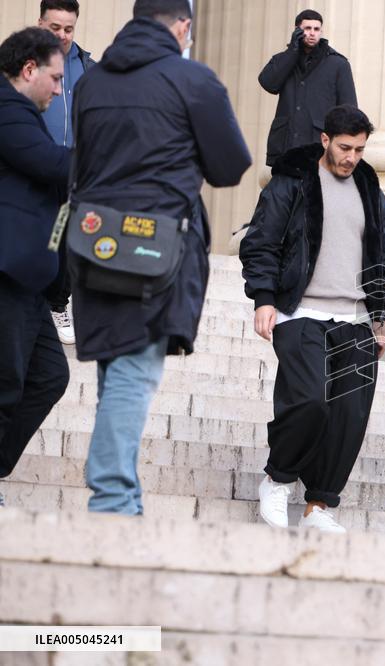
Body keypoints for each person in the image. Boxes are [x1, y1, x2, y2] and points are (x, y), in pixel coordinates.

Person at [71, 0, 251, 515]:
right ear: (183, 25)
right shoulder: (192, 80)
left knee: (115, 362)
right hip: (157, 246)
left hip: (93, 241)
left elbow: (79, 162)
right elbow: (229, 166)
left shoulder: (91, 81)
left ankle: (115, 489)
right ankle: (113, 497)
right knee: (134, 368)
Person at [240, 105, 385, 533]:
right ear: (325, 140)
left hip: (357, 318)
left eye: (360, 149)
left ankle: (320, 505)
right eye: (345, 147)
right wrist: (264, 298)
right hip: (300, 309)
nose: (352, 157)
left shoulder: (370, 189)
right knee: (308, 401)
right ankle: (278, 477)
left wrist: (380, 317)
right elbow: (262, 241)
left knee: (349, 416)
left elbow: (380, 259)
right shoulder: (293, 181)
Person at [0, 27, 71, 506]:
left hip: (28, 277)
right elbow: (50, 164)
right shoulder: (6, 109)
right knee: (6, 382)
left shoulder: (21, 113)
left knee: (49, 375)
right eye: (55, 77)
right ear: (29, 70)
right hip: (7, 271)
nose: (59, 89)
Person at [38, 0, 97, 346]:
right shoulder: (22, 62)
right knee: (34, 237)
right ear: (41, 23)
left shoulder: (87, 66)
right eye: (54, 28)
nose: (62, 35)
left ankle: (58, 304)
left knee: (67, 240)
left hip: (75, 173)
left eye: (68, 28)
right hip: (33, 167)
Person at [258, 9, 357, 167]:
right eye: (307, 28)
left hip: (318, 148)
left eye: (316, 29)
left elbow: (349, 110)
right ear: (297, 30)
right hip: (286, 147)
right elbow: (268, 83)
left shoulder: (338, 64)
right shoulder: (284, 60)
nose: (312, 33)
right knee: (282, 191)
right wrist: (292, 52)